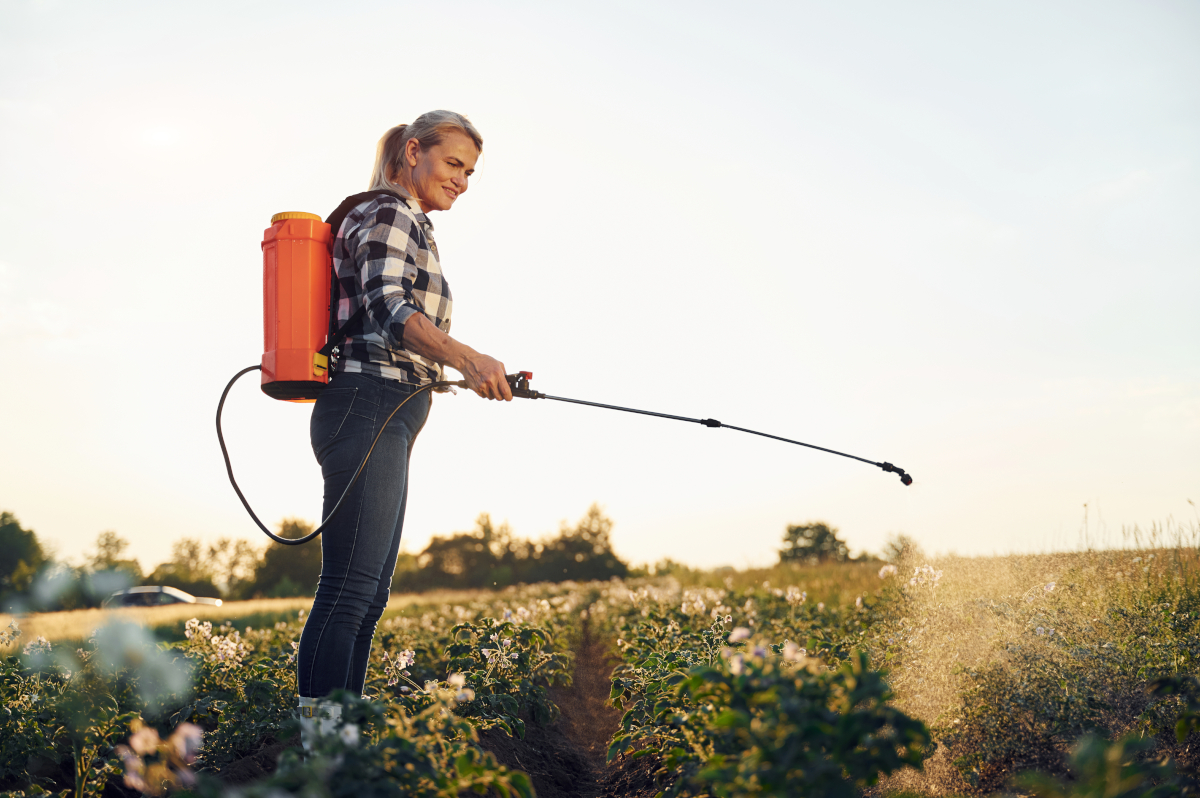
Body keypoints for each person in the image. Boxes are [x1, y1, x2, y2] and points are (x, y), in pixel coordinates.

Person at [296, 111, 511, 739]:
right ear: (413, 151)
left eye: (470, 172)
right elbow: (389, 306)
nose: (464, 181)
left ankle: (343, 739)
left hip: (387, 412)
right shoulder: (388, 213)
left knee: (368, 593)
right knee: (347, 587)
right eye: (453, 164)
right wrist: (467, 357)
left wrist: (459, 372)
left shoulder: (409, 222)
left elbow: (396, 327)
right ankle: (323, 748)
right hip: (365, 407)